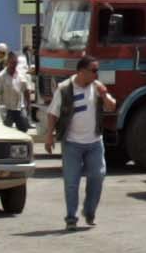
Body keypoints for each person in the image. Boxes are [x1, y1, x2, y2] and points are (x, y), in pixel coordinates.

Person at [50, 63, 118, 229]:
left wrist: (104, 94)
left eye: (97, 71)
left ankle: (89, 211)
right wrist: (48, 136)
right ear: (81, 71)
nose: (96, 74)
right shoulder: (64, 88)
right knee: (71, 182)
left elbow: (112, 106)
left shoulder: (96, 87)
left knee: (97, 176)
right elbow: (52, 113)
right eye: (93, 71)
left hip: (94, 142)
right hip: (72, 143)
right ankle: (71, 218)